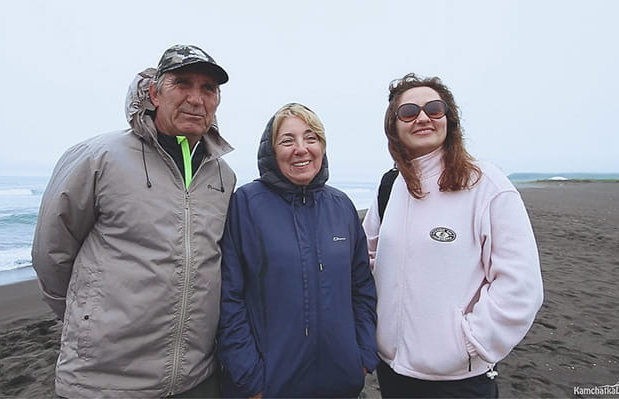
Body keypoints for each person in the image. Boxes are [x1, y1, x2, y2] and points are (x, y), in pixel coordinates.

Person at [31, 44, 236, 398]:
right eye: (182, 83)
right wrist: (85, 319)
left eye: (208, 89)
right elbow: (52, 252)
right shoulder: (99, 158)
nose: (195, 98)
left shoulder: (223, 177)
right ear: (154, 92)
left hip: (196, 377)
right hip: (104, 381)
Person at [362, 73, 543, 398]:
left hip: (459, 380)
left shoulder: (486, 184)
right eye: (408, 112)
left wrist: (469, 343)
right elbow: (367, 259)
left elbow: (521, 286)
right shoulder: (391, 186)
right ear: (394, 126)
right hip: (391, 371)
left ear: (449, 119)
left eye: (433, 108)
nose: (422, 118)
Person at [217, 103, 378, 398]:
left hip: (340, 382)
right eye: (287, 140)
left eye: (311, 138)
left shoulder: (341, 206)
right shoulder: (247, 204)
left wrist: (363, 358)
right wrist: (249, 378)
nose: (301, 149)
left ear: (322, 146)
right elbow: (229, 297)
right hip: (269, 385)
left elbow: (362, 289)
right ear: (271, 149)